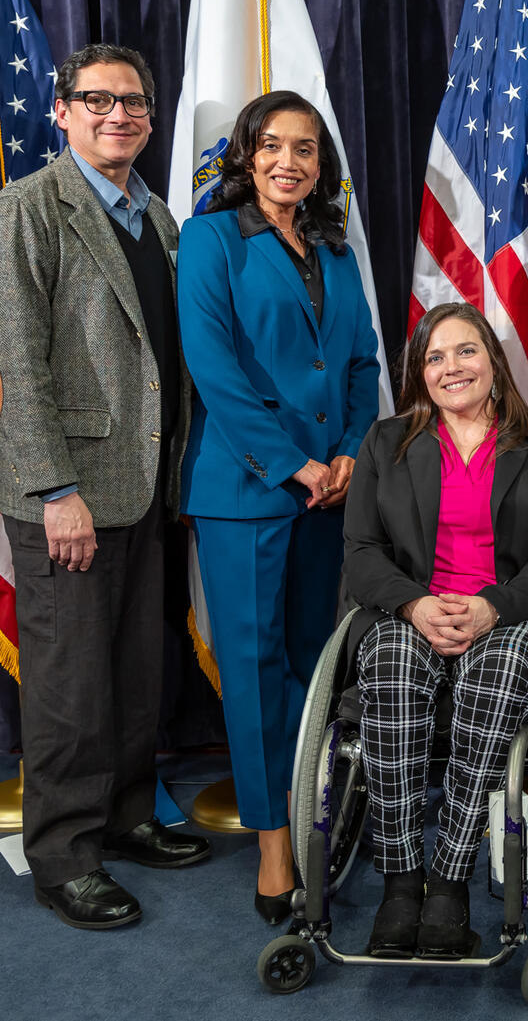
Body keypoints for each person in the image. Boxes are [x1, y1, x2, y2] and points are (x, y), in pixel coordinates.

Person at [0, 44, 210, 930]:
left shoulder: (159, 219)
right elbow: (15, 369)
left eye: (134, 103)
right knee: (70, 685)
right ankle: (65, 854)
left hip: (146, 483)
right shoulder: (23, 213)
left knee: (138, 671)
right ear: (61, 111)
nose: (119, 115)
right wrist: (53, 487)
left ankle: (129, 812)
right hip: (69, 494)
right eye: (97, 100)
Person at [177, 90, 381, 924]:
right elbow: (213, 368)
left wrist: (350, 454)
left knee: (313, 662)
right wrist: (293, 464)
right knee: (257, 671)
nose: (288, 161)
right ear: (246, 153)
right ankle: (273, 843)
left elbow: (364, 360)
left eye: (305, 149)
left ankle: (312, 811)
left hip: (330, 492)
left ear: (320, 165)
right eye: (272, 145)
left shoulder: (333, 245)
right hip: (247, 490)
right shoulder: (211, 238)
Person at [344, 302, 528, 959]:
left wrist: (493, 606)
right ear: (420, 374)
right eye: (435, 356)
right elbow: (362, 552)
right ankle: (400, 881)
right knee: (391, 662)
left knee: (498, 667)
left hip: (512, 614)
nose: (452, 367)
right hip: (412, 610)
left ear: (493, 359)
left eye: (466, 351)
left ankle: (450, 875)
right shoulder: (384, 444)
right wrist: (416, 605)